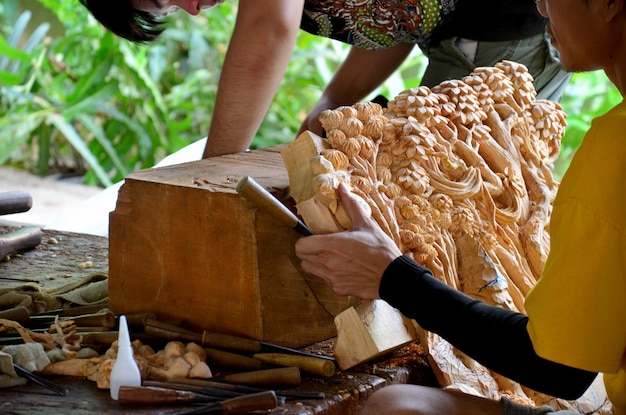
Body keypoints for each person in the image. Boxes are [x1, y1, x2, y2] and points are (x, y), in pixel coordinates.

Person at [294, 0, 626, 413]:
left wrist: (392, 277)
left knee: (395, 408)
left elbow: (559, 369)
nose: (540, 7)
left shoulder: (614, 152)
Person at [78, 0, 569, 159]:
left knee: (458, 208)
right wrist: (332, 102)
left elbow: (268, 29)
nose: (189, 7)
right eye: (166, 9)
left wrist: (213, 173)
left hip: (509, 31)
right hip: (459, 33)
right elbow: (401, 16)